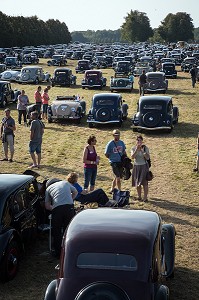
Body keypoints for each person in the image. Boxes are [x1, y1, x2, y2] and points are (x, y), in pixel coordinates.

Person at [45, 178, 78, 257]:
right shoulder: (65, 183)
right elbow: (75, 192)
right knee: (69, 230)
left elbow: (47, 206)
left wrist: (55, 207)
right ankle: (69, 251)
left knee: (57, 231)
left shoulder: (48, 189)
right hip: (69, 208)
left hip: (57, 209)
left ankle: (58, 253)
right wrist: (70, 199)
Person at [131, 135, 150, 202]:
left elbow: (147, 157)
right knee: (137, 182)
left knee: (145, 183)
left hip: (144, 166)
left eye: (140, 140)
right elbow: (132, 157)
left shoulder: (145, 148)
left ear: (142, 141)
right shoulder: (133, 148)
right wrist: (136, 150)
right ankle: (139, 196)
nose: (139, 142)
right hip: (136, 166)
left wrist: (142, 151)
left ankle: (145, 197)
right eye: (138, 140)